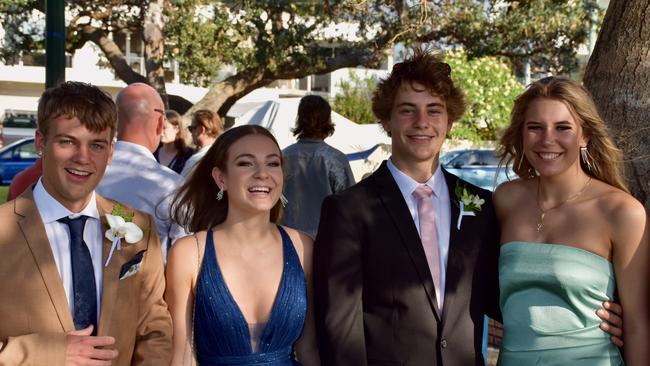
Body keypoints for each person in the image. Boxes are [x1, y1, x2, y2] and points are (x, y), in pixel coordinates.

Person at [313, 49, 625, 366]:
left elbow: (506, 293)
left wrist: (599, 317)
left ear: (450, 120)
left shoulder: (480, 204)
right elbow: (340, 329)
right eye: (408, 111)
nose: (422, 123)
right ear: (386, 120)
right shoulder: (348, 210)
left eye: (434, 111)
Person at [0, 81, 172, 365]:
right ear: (41, 142)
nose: (83, 158)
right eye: (68, 141)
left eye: (96, 145)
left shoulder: (140, 228)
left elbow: (154, 330)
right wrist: (49, 353)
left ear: (111, 151)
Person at [494, 76, 649, 365]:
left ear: (585, 135)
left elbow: (638, 324)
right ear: (522, 134)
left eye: (563, 128)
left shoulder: (621, 212)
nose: (547, 139)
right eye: (535, 128)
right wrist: (481, 320)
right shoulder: (505, 201)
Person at [166, 125, 320, 365]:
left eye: (273, 163)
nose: (262, 173)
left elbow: (309, 349)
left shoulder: (303, 248)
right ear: (221, 178)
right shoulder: (188, 254)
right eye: (246, 163)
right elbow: (182, 355)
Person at [97, 83, 187, 259]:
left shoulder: (86, 173)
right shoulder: (172, 185)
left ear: (114, 121)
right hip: (149, 284)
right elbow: (185, 257)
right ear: (160, 123)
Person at [281, 95, 355, 238]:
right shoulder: (336, 159)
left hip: (287, 240)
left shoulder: (282, 158)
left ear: (299, 119)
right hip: (327, 241)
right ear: (327, 120)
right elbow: (350, 206)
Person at [180, 109, 224, 177]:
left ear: (201, 130)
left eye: (191, 128)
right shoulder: (224, 154)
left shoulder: (197, 159)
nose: (191, 133)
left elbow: (182, 184)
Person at [154, 109, 196, 174]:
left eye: (164, 128)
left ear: (176, 129)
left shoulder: (188, 156)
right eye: (159, 127)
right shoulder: (152, 152)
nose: (161, 132)